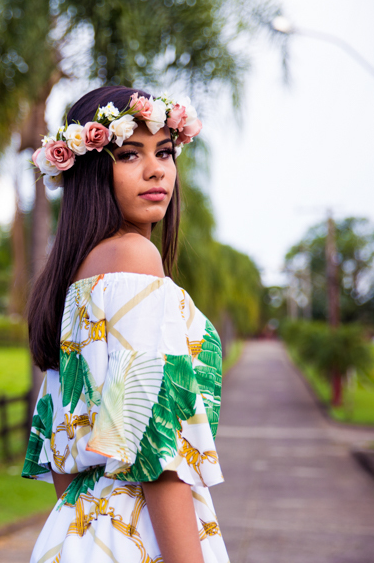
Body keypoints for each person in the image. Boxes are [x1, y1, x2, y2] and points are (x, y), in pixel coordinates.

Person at [22, 85, 228, 563]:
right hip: (139, 537)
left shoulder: (76, 277)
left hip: (79, 532)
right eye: (130, 154)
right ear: (92, 168)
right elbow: (156, 442)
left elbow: (60, 444)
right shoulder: (134, 257)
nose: (156, 169)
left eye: (165, 152)